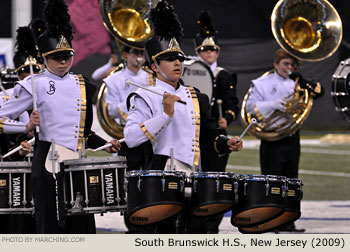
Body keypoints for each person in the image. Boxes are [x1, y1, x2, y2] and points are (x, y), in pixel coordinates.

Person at [0, 0, 121, 234]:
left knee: (80, 222)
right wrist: (25, 126)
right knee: (51, 223)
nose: (63, 61)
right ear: (45, 58)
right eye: (57, 57)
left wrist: (107, 144)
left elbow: (83, 132)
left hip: (77, 160)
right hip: (47, 160)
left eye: (67, 56)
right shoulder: (33, 84)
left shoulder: (83, 85)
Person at [123, 0, 243, 234]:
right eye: (170, 58)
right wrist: (164, 116)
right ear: (155, 66)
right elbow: (131, 137)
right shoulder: (143, 96)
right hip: (159, 177)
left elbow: (209, 133)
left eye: (179, 57)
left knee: (195, 232)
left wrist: (225, 142)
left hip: (195, 174)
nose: (178, 62)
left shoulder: (196, 96)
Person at [245, 48, 324, 232]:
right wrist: (272, 105)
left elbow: (320, 92)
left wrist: (302, 79)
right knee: (273, 182)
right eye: (285, 64)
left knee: (291, 182)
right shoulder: (262, 83)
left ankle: (289, 221)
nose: (289, 67)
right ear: (276, 64)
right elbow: (249, 107)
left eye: (292, 64)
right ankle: (271, 221)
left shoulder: (297, 84)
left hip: (291, 138)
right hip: (271, 139)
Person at [193, 9, 240, 233]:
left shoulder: (224, 75)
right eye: (204, 49)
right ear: (197, 51)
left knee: (216, 180)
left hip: (215, 135)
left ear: (217, 51)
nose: (209, 52)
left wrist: (226, 119)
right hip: (193, 134)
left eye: (212, 49)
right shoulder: (189, 72)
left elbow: (233, 105)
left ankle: (212, 226)